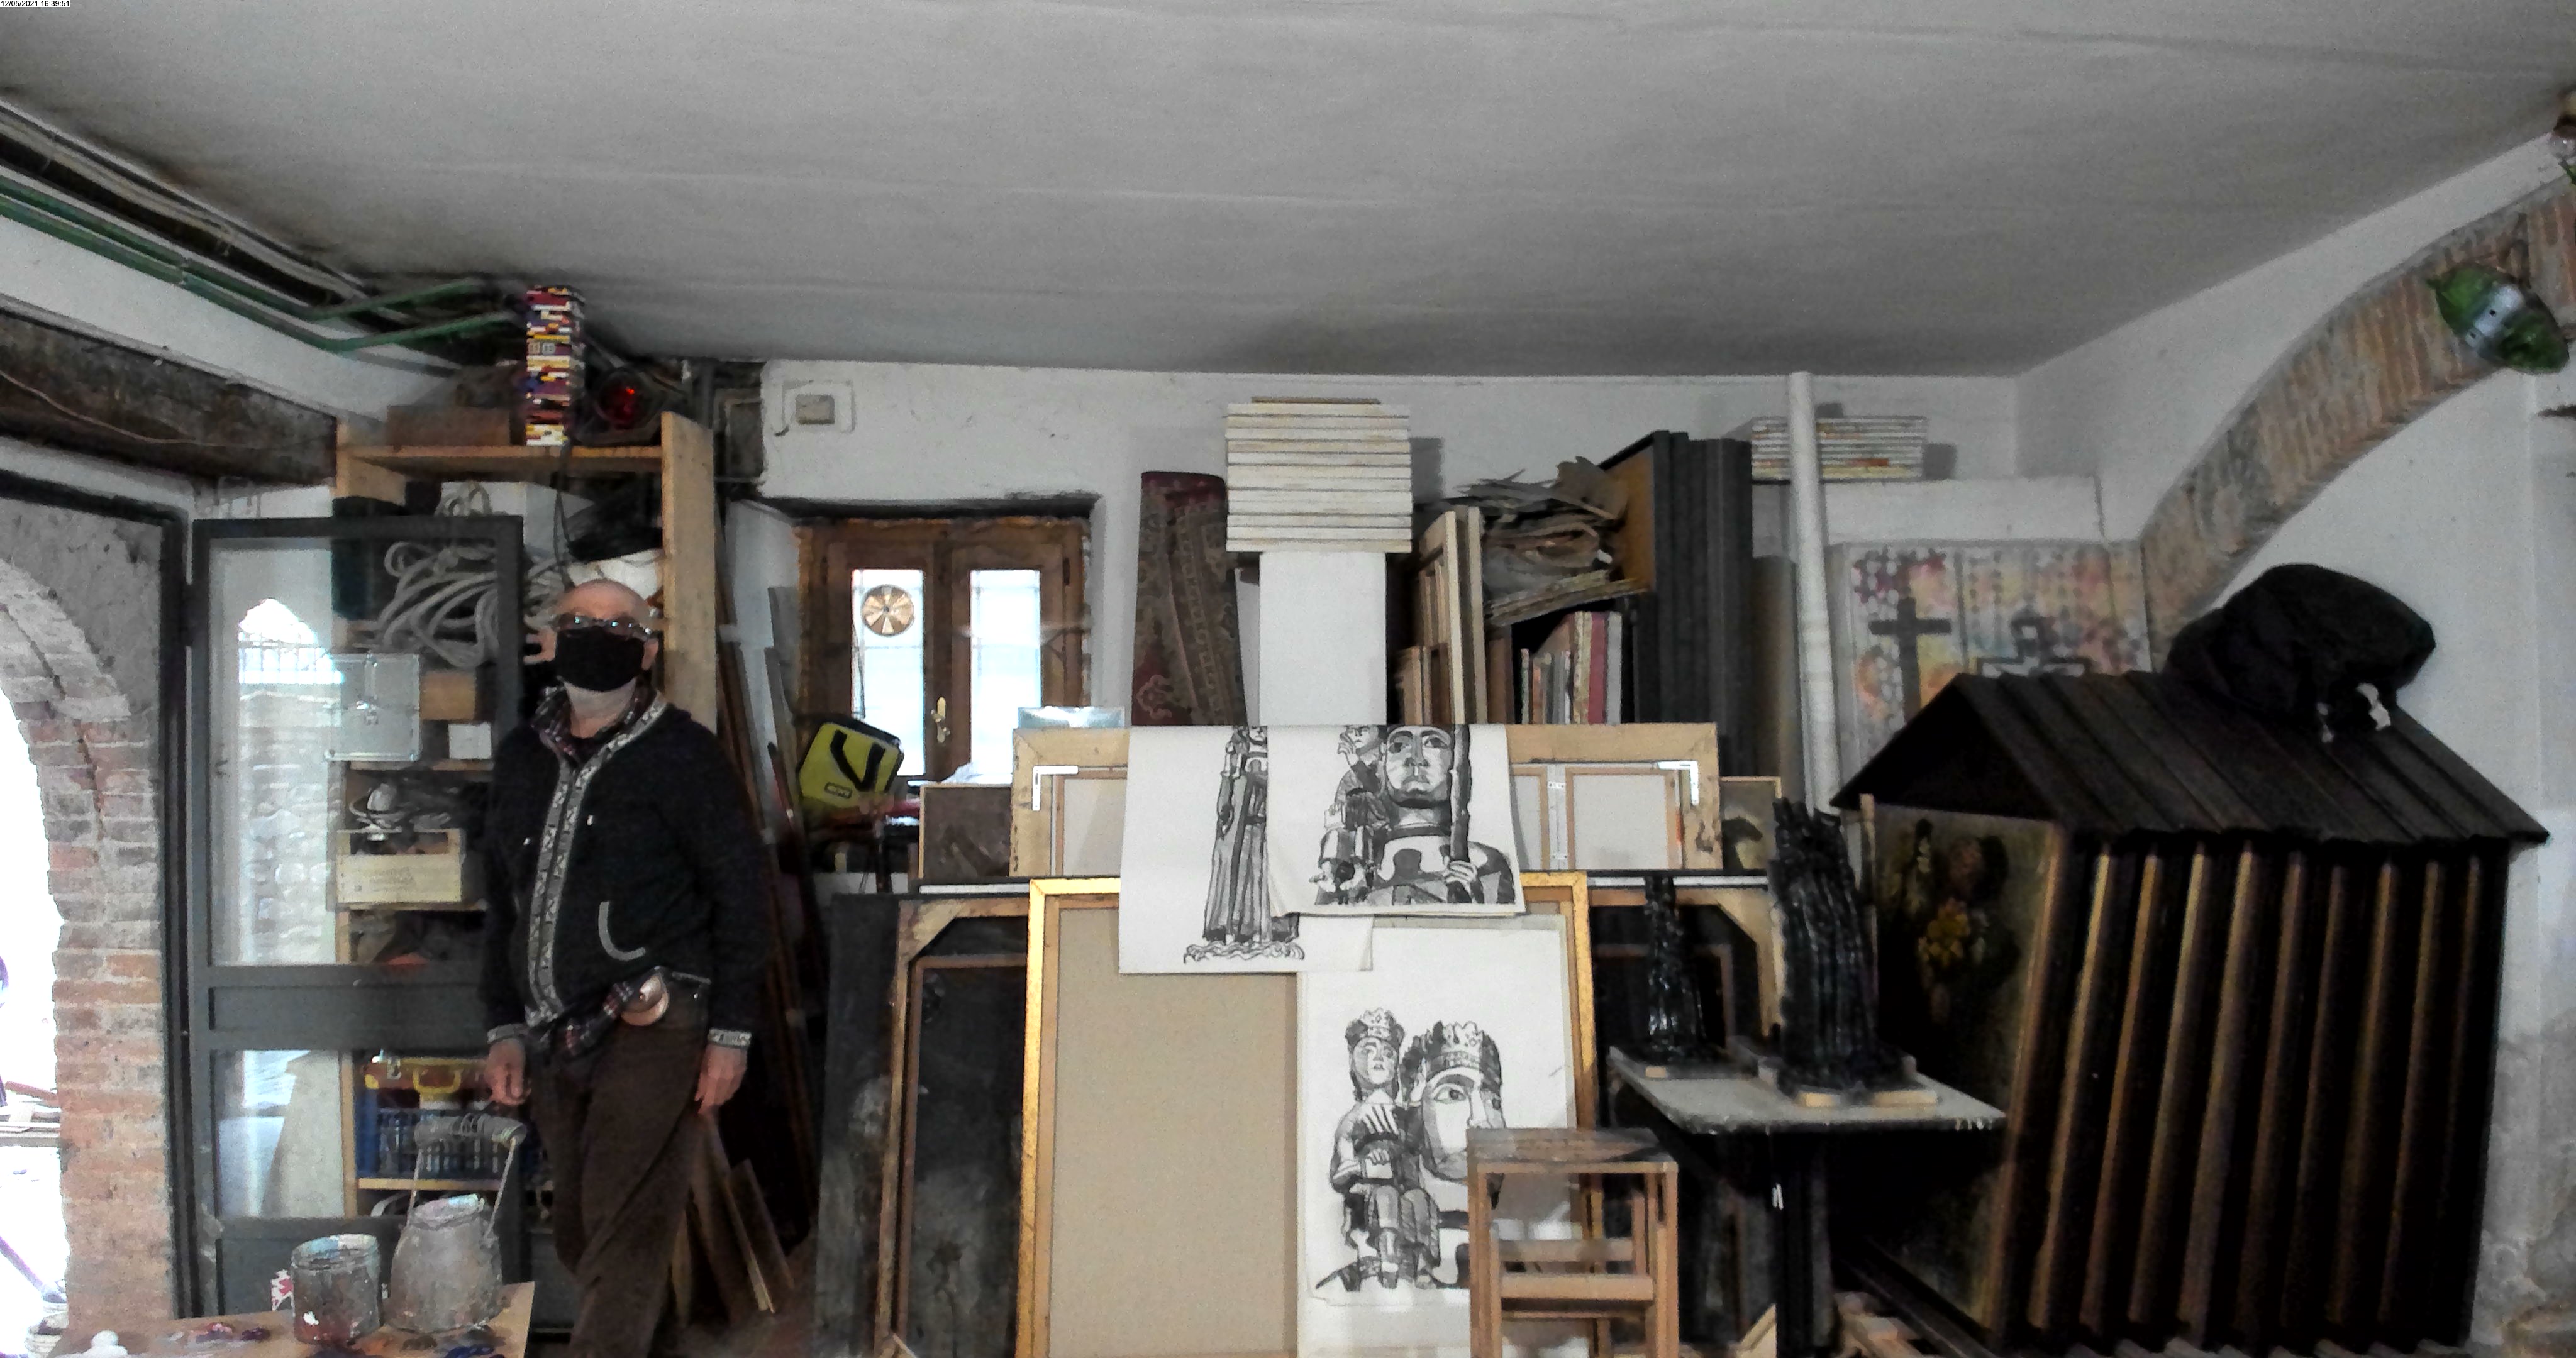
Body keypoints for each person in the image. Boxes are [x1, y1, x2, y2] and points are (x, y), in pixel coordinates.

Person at [477, 579, 769, 1358]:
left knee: (625, 1220)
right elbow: (502, 902)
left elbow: (742, 895)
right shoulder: (521, 757)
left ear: (646, 650)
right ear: (550, 639)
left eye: (617, 626)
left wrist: (730, 1034)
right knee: (582, 1227)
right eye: (577, 622)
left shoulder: (685, 756)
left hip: (655, 1016)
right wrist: (503, 1025)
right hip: (554, 1026)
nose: (594, 636)